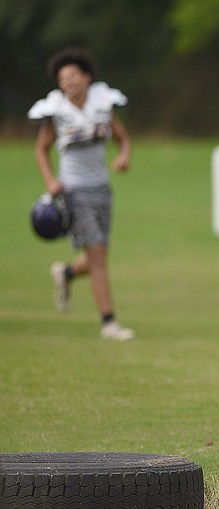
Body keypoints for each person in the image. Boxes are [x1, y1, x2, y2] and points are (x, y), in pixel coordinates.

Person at [28, 48, 135, 341]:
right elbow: (41, 148)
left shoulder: (102, 103)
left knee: (97, 257)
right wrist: (51, 180)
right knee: (98, 255)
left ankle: (67, 273)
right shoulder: (57, 111)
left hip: (102, 188)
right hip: (74, 192)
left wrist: (124, 156)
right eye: (63, 78)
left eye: (73, 75)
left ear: (86, 77)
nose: (68, 82)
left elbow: (123, 139)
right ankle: (109, 322)